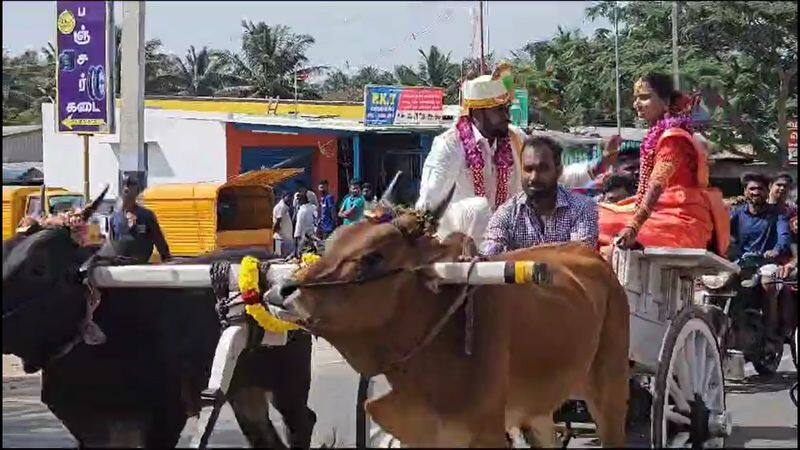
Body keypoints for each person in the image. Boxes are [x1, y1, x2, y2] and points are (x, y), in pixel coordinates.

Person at [597, 72, 729, 255]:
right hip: (663, 210)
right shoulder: (657, 133)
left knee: (596, 220)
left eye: (644, 98)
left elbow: (657, 183)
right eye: (636, 99)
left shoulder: (673, 136)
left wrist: (634, 226)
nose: (636, 104)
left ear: (666, 101)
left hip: (679, 220)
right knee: (594, 212)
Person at [416, 63, 526, 244]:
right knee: (477, 208)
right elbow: (429, 204)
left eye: (506, 109)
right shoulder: (449, 145)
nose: (507, 116)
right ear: (477, 114)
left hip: (510, 241)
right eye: (500, 110)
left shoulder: (517, 138)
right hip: (463, 247)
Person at [480, 136, 599, 256]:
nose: (534, 177)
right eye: (528, 169)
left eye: (543, 169)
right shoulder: (508, 212)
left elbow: (580, 258)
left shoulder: (581, 209)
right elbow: (491, 251)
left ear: (558, 171)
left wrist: (516, 258)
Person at [729, 173, 792, 264]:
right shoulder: (736, 213)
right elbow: (722, 233)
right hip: (739, 262)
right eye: (752, 189)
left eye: (760, 189)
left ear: (767, 191)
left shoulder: (779, 214)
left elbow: (784, 236)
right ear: (745, 192)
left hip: (767, 263)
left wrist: (776, 251)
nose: (756, 192)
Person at [108, 174, 171, 263]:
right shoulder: (115, 218)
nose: (127, 188)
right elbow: (111, 244)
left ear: (137, 191)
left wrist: (167, 259)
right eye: (124, 184)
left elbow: (159, 241)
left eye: (130, 185)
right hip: (120, 269)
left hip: (140, 268)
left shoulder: (146, 216)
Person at [273, 190, 295, 257]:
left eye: (291, 197)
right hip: (282, 237)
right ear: (283, 197)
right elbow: (278, 221)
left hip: (286, 237)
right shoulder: (281, 207)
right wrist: (273, 231)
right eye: (288, 197)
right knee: (281, 257)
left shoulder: (285, 207)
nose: (290, 199)